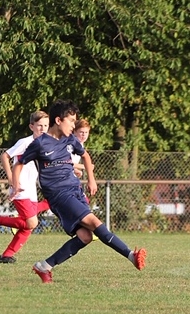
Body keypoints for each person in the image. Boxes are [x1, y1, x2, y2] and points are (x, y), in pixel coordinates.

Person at [11, 99, 146, 283]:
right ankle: (131, 255)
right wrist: (15, 184)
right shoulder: (40, 143)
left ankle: (45, 266)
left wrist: (91, 179)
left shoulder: (70, 139)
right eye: (71, 121)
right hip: (59, 195)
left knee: (85, 236)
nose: (74, 125)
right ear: (58, 120)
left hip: (75, 190)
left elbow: (85, 155)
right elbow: (19, 163)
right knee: (93, 221)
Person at [0, 111, 50, 264]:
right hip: (20, 189)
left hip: (32, 190)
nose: (43, 129)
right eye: (39, 125)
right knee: (32, 222)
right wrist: (11, 180)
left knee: (28, 226)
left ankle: (7, 255)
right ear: (31, 126)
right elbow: (5, 156)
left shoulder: (46, 143)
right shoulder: (25, 142)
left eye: (46, 125)